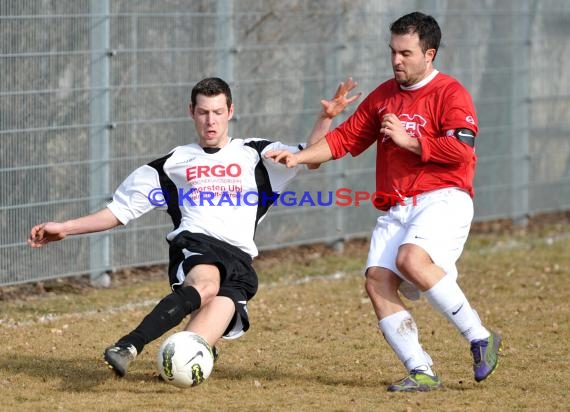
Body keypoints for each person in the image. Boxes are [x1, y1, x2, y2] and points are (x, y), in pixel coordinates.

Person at [28, 76, 360, 378]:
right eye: (203, 112)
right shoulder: (172, 164)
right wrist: (66, 228)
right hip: (198, 245)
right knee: (205, 284)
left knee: (187, 348)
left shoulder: (257, 154)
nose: (210, 120)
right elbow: (119, 211)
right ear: (192, 112)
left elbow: (312, 157)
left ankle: (188, 356)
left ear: (231, 111)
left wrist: (326, 117)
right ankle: (128, 345)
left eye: (217, 111)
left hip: (241, 264)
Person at [266, 12, 502, 392]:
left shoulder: (450, 93)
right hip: (398, 206)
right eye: (392, 51)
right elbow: (344, 139)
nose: (396, 61)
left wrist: (411, 141)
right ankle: (421, 369)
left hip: (444, 197)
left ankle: (479, 336)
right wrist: (299, 157)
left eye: (405, 53)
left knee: (411, 259)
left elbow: (461, 151)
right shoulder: (383, 97)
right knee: (377, 282)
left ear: (429, 53)